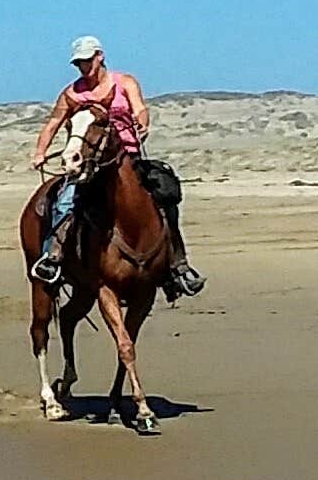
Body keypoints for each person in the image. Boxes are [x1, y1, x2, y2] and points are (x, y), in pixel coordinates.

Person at [26, 35, 202, 297]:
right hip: (89, 162)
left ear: (100, 56)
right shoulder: (72, 93)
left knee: (166, 195)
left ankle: (177, 265)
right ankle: (53, 257)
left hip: (127, 156)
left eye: (87, 60)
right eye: (79, 63)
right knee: (65, 202)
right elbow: (53, 123)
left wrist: (142, 122)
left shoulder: (124, 82)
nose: (84, 67)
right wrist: (40, 151)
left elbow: (140, 108)